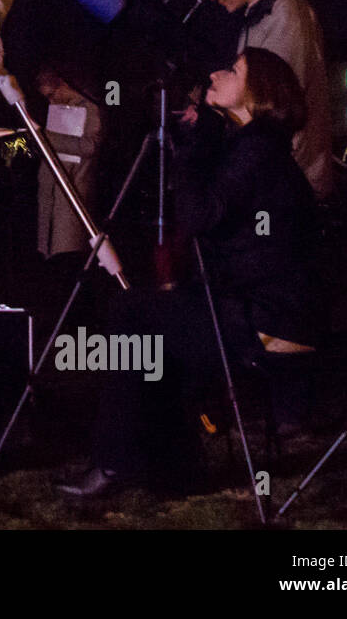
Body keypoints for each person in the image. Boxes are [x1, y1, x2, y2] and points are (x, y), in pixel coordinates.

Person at [56, 47, 321, 498]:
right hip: (265, 310)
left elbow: (200, 213)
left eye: (234, 70)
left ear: (258, 94)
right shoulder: (256, 145)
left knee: (132, 313)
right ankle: (168, 468)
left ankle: (118, 462)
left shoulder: (256, 149)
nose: (216, 72)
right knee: (155, 321)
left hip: (269, 321)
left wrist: (192, 150)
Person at [200, 0, 334, 200]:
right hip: (275, 174)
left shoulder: (286, 13)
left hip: (291, 176)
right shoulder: (260, 16)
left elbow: (272, 99)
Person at [34, 69, 103, 263]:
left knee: (68, 252)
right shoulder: (59, 109)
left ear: (64, 85)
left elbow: (90, 146)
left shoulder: (90, 107)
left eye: (51, 95)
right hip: (52, 190)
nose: (51, 101)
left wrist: (50, 139)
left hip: (74, 187)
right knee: (51, 251)